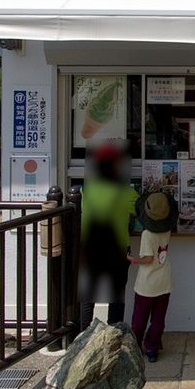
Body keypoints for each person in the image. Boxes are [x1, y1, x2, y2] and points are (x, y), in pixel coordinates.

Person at [79, 141, 138, 329]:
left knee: (88, 297)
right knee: (116, 296)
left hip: (91, 247)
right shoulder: (127, 193)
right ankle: (114, 337)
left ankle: (82, 338)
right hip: (117, 249)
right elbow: (143, 210)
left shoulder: (86, 190)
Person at [127, 190, 178, 362]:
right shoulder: (167, 230)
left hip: (147, 283)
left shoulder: (147, 234)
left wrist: (132, 259)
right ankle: (152, 348)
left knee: (139, 319)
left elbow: (148, 259)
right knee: (158, 320)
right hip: (164, 280)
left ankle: (135, 347)